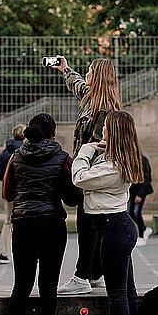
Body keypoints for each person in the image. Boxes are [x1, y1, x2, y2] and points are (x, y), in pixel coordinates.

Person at [2, 113, 78, 315]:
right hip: (51, 225)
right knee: (48, 286)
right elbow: (72, 199)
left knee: (22, 285)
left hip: (23, 225)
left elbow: (8, 193)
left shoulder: (15, 156)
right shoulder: (63, 158)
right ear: (53, 134)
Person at [71, 110, 143, 315]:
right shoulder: (118, 158)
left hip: (114, 229)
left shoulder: (113, 167)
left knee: (117, 296)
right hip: (117, 227)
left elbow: (79, 178)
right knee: (128, 293)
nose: (101, 128)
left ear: (113, 132)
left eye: (106, 126)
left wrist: (85, 151)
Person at [55, 56, 122, 294]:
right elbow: (79, 85)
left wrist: (83, 170)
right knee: (91, 222)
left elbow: (102, 147)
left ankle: (82, 276)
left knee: (87, 224)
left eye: (90, 71)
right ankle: (95, 272)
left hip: (93, 174)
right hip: (86, 170)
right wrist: (65, 69)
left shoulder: (105, 111)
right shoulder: (91, 99)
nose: (87, 75)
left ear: (99, 77)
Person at [0, 123, 26, 264]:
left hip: (9, 191)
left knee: (8, 221)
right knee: (25, 222)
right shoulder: (26, 151)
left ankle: (3, 253)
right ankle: (24, 253)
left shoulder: (5, 152)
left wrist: (6, 181)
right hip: (24, 191)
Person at [128, 154, 153, 246]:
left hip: (140, 191)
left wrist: (140, 195)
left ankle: (141, 236)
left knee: (136, 212)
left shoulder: (142, 160)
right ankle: (145, 229)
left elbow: (147, 179)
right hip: (132, 191)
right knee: (129, 212)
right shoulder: (129, 160)